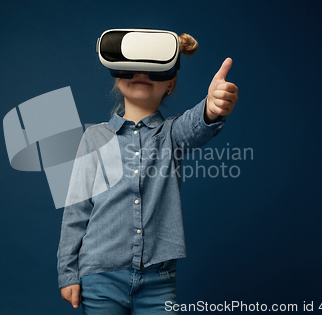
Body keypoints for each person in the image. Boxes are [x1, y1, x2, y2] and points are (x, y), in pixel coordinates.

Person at [57, 30, 239, 314]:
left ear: (170, 83)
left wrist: (212, 107)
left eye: (153, 70)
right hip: (100, 277)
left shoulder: (172, 134)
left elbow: (197, 124)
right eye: (132, 67)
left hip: (159, 278)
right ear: (117, 76)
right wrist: (68, 273)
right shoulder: (93, 138)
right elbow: (76, 210)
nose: (142, 73)